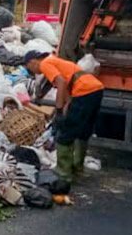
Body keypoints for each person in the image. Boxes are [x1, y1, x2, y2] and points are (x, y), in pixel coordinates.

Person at [24, 51, 104, 182]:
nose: (34, 72)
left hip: (83, 91)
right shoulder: (57, 61)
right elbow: (67, 83)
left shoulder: (45, 64)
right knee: (83, 132)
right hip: (96, 89)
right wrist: (67, 104)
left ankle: (64, 172)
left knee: (66, 132)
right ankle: (77, 169)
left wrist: (59, 109)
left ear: (32, 62)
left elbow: (60, 82)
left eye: (30, 68)